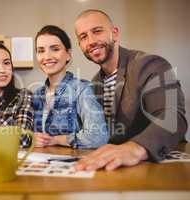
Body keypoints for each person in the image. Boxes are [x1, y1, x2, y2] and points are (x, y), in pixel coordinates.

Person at [74, 9, 187, 171]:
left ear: (115, 33)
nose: (91, 41)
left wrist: (136, 147)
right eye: (83, 37)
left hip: (162, 167)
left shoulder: (151, 64)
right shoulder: (94, 84)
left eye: (97, 31)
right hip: (118, 170)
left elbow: (173, 117)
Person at [33, 25, 109, 149]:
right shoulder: (37, 94)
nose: (47, 56)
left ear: (68, 54)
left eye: (55, 49)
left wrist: (57, 139)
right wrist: (33, 138)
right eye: (41, 51)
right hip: (42, 164)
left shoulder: (81, 89)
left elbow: (98, 137)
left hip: (73, 165)